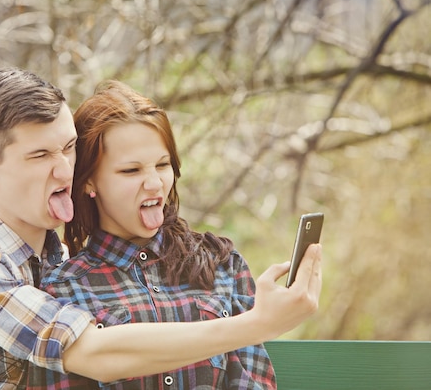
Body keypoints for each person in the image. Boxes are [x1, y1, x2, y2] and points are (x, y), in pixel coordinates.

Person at [0, 68, 322, 389]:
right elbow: (91, 353)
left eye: (69, 148)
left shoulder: (52, 264)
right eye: (39, 156)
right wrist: (259, 322)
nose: (64, 170)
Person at [26, 80, 320, 389]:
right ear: (88, 182)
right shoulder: (62, 288)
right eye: (131, 171)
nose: (154, 183)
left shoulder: (221, 264)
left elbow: (253, 381)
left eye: (162, 165)